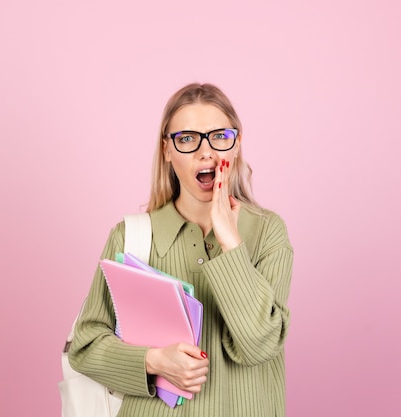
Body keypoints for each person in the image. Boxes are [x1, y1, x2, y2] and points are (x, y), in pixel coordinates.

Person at [69, 82, 293, 417]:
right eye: (187, 139)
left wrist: (231, 243)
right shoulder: (131, 236)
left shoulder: (267, 232)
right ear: (167, 150)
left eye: (219, 136)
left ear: (236, 144)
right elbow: (84, 347)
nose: (206, 152)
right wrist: (152, 360)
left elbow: (259, 345)